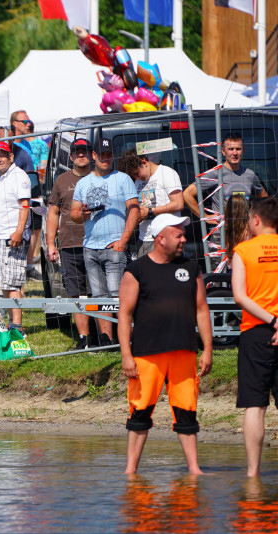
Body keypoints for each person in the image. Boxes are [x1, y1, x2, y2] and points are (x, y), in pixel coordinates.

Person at [118, 214, 212, 475]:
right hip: (147, 354)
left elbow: (202, 309)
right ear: (160, 239)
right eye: (178, 235)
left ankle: (194, 470)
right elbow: (124, 315)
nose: (183, 239)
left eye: (183, 235)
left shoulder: (191, 268)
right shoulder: (136, 270)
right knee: (140, 412)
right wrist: (126, 354)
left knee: (186, 412)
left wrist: (207, 349)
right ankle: (130, 472)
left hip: (184, 351)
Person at [70, 138, 139, 347]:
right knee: (99, 296)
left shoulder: (123, 179)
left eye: (109, 154)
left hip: (114, 246)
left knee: (118, 297)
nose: (106, 158)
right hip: (90, 246)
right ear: (94, 156)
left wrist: (123, 240)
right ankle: (106, 340)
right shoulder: (83, 183)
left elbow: (134, 209)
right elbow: (73, 214)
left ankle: (128, 340)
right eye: (102, 154)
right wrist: (81, 213)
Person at [231, 196, 278, 477]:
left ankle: (252, 472)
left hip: (256, 331)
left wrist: (272, 320)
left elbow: (240, 296)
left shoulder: (243, 250)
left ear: (256, 220)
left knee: (255, 405)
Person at [47, 138, 94, 349]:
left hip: (97, 243)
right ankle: (83, 338)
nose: (81, 155)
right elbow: (53, 212)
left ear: (91, 154)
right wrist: (50, 243)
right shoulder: (61, 180)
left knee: (98, 291)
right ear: (71, 156)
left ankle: (102, 337)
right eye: (77, 151)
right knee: (75, 292)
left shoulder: (99, 177)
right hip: (69, 244)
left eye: (84, 151)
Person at [0, 141, 30, 332]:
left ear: (11, 157)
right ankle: (11, 323)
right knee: (3, 282)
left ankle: (17, 326)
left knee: (14, 282)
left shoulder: (19, 176)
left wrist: (18, 231)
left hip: (13, 235)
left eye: (2, 155)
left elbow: (25, 205)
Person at [118, 149, 185, 258]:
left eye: (136, 173)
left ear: (143, 162)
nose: (137, 178)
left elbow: (178, 204)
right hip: (143, 239)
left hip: (164, 238)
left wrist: (150, 211)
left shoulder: (166, 173)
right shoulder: (138, 181)